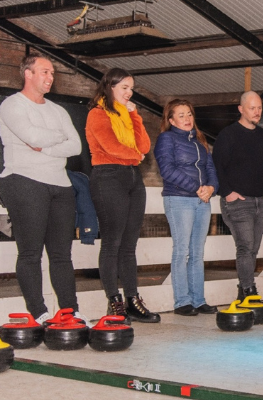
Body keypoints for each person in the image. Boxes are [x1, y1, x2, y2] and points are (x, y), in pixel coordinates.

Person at [0, 55, 85, 324]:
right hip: (24, 180)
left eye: (52, 73)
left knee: (62, 255)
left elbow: (76, 146)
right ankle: (40, 313)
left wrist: (46, 146)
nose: (50, 77)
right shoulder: (12, 105)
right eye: (45, 71)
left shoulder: (58, 111)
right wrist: (55, 139)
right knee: (30, 252)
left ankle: (70, 311)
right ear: (27, 73)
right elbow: (31, 136)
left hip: (60, 184)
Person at [86, 67, 159, 323]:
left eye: (131, 88)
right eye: (125, 87)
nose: (130, 93)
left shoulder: (128, 113)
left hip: (131, 177)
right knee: (112, 243)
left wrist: (135, 115)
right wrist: (135, 155)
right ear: (110, 87)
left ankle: (132, 299)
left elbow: (145, 146)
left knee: (129, 246)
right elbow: (110, 146)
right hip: (108, 176)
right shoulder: (97, 114)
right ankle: (114, 302)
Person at [154, 99, 219, 316]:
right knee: (181, 251)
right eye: (180, 115)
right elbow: (167, 170)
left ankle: (198, 300)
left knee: (197, 253)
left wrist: (211, 188)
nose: (186, 118)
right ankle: (182, 301)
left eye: (189, 114)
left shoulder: (200, 141)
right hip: (179, 199)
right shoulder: (166, 139)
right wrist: (197, 188)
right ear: (171, 120)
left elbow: (211, 168)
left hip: (202, 201)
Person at [212, 91, 263, 302]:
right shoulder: (227, 135)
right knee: (246, 247)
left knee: (253, 249)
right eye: (252, 108)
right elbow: (217, 166)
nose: (257, 112)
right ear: (241, 109)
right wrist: (227, 192)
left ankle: (243, 290)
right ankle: (249, 290)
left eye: (259, 108)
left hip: (260, 201)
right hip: (238, 202)